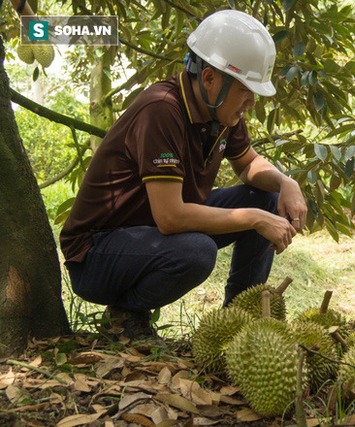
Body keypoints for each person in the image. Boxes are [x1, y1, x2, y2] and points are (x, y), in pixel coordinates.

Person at [59, 10, 307, 340]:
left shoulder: (223, 112)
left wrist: (285, 182)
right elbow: (171, 218)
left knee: (267, 198)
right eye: (245, 90)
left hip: (147, 233)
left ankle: (240, 322)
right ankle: (125, 317)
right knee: (197, 252)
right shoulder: (161, 109)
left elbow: (247, 164)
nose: (250, 102)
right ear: (209, 78)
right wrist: (255, 219)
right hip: (98, 252)